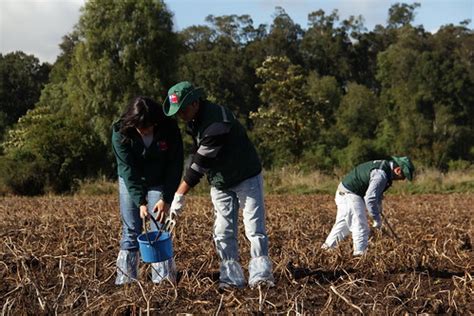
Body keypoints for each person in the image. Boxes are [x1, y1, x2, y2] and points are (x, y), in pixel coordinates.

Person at [162, 81, 274, 289]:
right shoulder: (194, 119)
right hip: (220, 180)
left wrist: (179, 196)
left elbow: (200, 164)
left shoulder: (217, 121)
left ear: (195, 103)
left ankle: (261, 276)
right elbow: (197, 155)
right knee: (222, 230)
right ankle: (231, 278)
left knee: (254, 227)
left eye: (183, 109)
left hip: (245, 176)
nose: (180, 115)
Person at [112, 96, 183, 285]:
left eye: (149, 127)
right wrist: (140, 202)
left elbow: (175, 166)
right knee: (131, 230)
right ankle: (126, 280)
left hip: (158, 180)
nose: (145, 131)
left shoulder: (169, 128)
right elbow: (127, 169)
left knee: (158, 227)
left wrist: (166, 198)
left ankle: (163, 280)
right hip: (131, 180)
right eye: (141, 129)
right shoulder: (120, 132)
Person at [321, 156, 415, 256]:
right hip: (349, 194)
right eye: (403, 176)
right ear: (398, 170)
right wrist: (376, 219)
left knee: (343, 226)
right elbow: (370, 198)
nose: (402, 179)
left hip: (345, 193)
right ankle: (360, 257)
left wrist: (378, 209)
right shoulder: (381, 175)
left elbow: (376, 195)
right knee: (361, 226)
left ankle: (326, 249)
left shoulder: (384, 169)